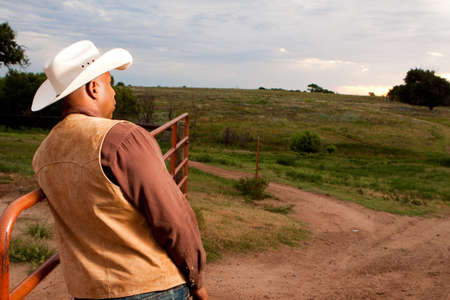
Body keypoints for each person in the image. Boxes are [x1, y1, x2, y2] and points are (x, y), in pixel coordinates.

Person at [31, 40, 208, 300]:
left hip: (87, 291)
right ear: (94, 88)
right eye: (110, 83)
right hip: (150, 287)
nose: (114, 94)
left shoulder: (43, 153)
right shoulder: (121, 137)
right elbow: (172, 218)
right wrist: (196, 279)